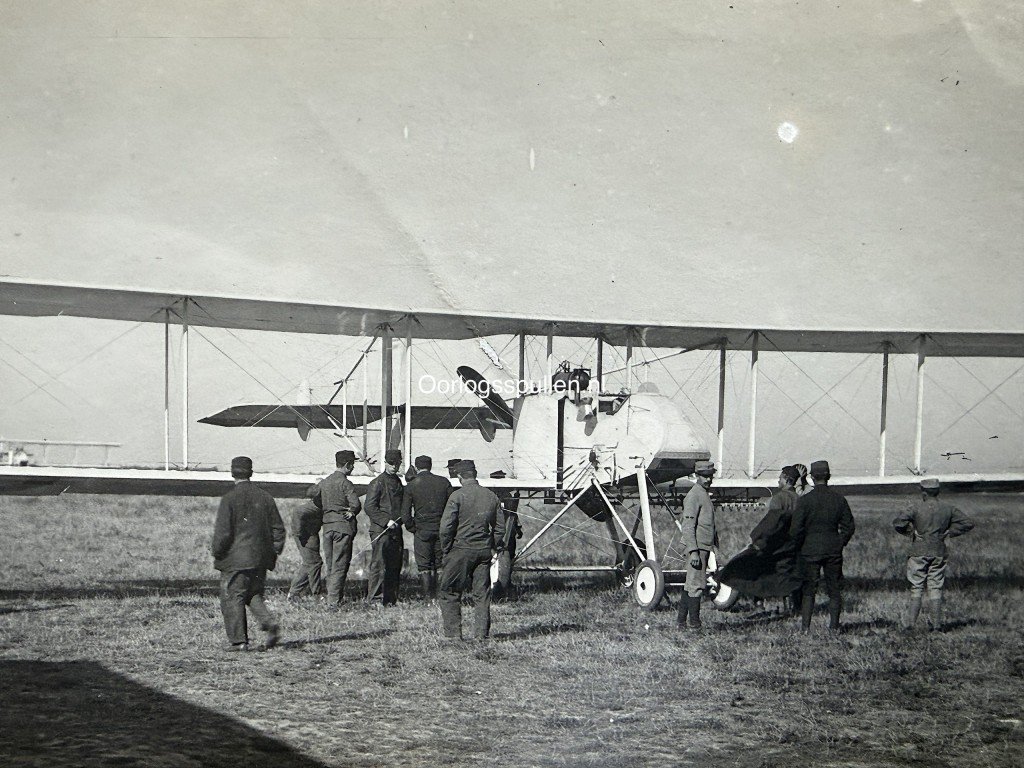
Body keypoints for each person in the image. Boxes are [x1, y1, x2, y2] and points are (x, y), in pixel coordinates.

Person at [211, 456, 286, 651]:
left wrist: (217, 553)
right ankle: (269, 623)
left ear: (232, 473)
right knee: (252, 593)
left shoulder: (229, 499)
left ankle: (239, 642)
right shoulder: (266, 497)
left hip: (236, 560)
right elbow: (278, 529)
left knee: (233, 596)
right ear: (251, 473)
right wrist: (273, 552)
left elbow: (223, 533)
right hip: (261, 559)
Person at [893, 478, 974, 631]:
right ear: (938, 491)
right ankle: (936, 626)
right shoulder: (948, 508)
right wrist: (949, 533)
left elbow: (898, 523)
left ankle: (910, 624)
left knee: (916, 587)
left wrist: (912, 534)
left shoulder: (915, 507)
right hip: (939, 550)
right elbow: (968, 523)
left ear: (923, 492)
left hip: (918, 550)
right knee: (935, 587)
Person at [719, 465, 803, 611]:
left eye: (780, 478)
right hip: (791, 545)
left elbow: (772, 523)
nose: (778, 481)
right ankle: (790, 607)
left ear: (786, 479)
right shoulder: (799, 499)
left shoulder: (779, 498)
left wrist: (756, 539)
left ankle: (759, 605)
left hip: (774, 544)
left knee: (757, 571)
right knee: (787, 576)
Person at [438, 459, 505, 640]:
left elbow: (446, 528)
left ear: (459, 476)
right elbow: (500, 528)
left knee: (450, 591)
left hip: (460, 550)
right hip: (483, 551)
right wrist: (492, 546)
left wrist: (446, 548)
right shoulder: (491, 496)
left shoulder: (457, 496)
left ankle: (453, 636)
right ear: (475, 474)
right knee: (482, 595)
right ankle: (481, 635)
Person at [789, 460, 855, 632]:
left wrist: (799, 546)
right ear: (829, 476)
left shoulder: (805, 501)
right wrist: (840, 542)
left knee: (809, 590)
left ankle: (805, 628)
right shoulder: (839, 500)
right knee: (834, 589)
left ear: (811, 477)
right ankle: (834, 627)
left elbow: (796, 529)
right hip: (833, 549)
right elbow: (849, 526)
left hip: (810, 550)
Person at [402, 454, 454, 602]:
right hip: (441, 529)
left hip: (422, 530)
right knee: (440, 564)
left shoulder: (412, 485)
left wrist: (413, 528)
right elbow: (451, 508)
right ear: (430, 466)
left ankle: (428, 598)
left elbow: (405, 514)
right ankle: (441, 596)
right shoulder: (444, 482)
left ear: (417, 467)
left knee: (424, 565)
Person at [678, 460, 719, 630]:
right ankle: (695, 624)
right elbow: (687, 526)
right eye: (704, 476)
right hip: (697, 548)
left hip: (704, 547)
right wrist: (693, 552)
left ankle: (681, 622)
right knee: (696, 585)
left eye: (710, 476)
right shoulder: (694, 495)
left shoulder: (703, 494)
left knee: (692, 584)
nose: (708, 480)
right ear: (697, 476)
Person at [319, 450, 362, 607]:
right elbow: (356, 504)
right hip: (342, 528)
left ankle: (332, 597)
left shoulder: (324, 482)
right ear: (347, 465)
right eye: (352, 465)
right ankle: (334, 602)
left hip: (327, 527)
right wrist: (351, 512)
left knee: (330, 564)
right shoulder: (345, 483)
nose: (353, 468)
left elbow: (316, 499)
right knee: (340, 565)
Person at [364, 448, 405, 606]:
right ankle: (374, 599)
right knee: (379, 565)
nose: (394, 466)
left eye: (397, 463)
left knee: (395, 565)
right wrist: (386, 521)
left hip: (396, 531)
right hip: (381, 531)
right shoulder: (377, 482)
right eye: (391, 463)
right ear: (386, 463)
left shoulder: (398, 482)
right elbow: (369, 507)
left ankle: (390, 600)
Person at [286, 483, 326, 602]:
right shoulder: (305, 510)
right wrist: (301, 537)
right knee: (314, 563)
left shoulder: (312, 508)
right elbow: (297, 528)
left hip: (311, 536)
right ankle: (316, 593)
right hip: (306, 537)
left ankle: (294, 593)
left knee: (310, 563)